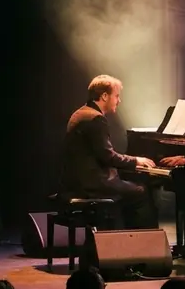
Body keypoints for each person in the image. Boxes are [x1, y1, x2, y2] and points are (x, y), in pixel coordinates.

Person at [58, 75, 158, 229]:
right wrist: (136, 161)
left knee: (131, 188)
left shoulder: (81, 113)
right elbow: (108, 156)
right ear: (104, 96)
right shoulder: (95, 118)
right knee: (141, 193)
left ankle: (121, 241)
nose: (119, 100)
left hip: (77, 181)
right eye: (117, 96)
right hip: (92, 185)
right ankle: (143, 246)